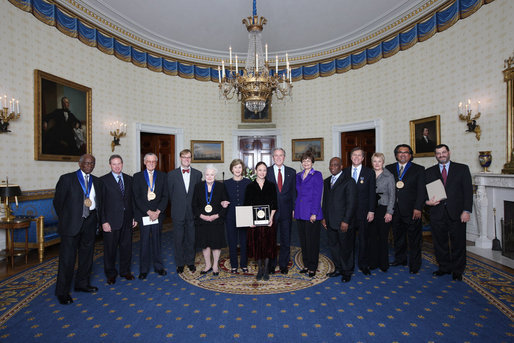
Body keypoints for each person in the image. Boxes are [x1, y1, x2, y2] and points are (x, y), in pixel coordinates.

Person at [53, 154, 102, 305]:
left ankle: (82, 284)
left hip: (90, 222)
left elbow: (98, 203)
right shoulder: (67, 179)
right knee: (67, 260)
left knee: (87, 256)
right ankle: (62, 292)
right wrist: (68, 219)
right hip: (71, 225)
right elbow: (58, 203)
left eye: (92, 163)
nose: (89, 165)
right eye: (86, 162)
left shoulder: (97, 181)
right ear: (79, 164)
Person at [425, 144, 472, 281]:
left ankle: (458, 270)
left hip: (457, 213)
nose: (441, 155)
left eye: (443, 152)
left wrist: (466, 210)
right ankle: (444, 267)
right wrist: (427, 202)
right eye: (438, 153)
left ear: (449, 152)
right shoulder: (429, 172)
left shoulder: (462, 169)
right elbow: (423, 192)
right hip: (437, 212)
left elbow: (468, 192)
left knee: (458, 243)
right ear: (435, 155)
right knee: (440, 243)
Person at [385, 144, 426, 274]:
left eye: (406, 152)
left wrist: (418, 207)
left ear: (410, 155)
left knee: (414, 239)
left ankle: (415, 265)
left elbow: (421, 191)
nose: (403, 154)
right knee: (398, 237)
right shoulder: (389, 168)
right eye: (400, 152)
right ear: (396, 154)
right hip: (394, 210)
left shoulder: (419, 169)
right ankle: (400, 259)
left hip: (412, 210)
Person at [100, 154, 137, 285]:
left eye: (119, 163)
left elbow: (132, 200)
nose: (117, 166)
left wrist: (134, 217)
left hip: (127, 220)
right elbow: (101, 203)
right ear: (110, 165)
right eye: (114, 164)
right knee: (110, 250)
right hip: (111, 222)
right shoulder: (103, 180)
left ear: (122, 164)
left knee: (126, 248)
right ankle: (110, 274)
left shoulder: (129, 179)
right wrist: (104, 221)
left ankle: (125, 271)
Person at [133, 153, 168, 279]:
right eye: (149, 161)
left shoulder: (163, 176)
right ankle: (143, 270)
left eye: (154, 161)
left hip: (158, 215)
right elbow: (136, 198)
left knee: (157, 242)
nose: (151, 163)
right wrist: (148, 212)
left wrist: (157, 212)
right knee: (144, 242)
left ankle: (159, 267)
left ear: (156, 162)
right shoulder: (137, 177)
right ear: (144, 162)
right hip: (144, 215)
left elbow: (165, 196)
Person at [322, 157, 356, 283]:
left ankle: (347, 272)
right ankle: (338, 268)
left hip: (343, 223)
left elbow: (351, 203)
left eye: (336, 165)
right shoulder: (327, 181)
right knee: (334, 246)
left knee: (346, 247)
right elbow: (325, 202)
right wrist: (324, 218)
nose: (332, 167)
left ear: (341, 166)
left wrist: (346, 221)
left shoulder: (349, 181)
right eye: (331, 165)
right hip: (330, 221)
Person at [167, 149, 202, 274]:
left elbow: (198, 195)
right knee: (178, 239)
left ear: (191, 159)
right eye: (184, 157)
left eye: (189, 157)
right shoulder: (171, 175)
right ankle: (180, 263)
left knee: (191, 239)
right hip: (178, 211)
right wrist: (179, 205)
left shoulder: (198, 174)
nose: (186, 159)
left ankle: (190, 262)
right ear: (180, 158)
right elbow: (170, 195)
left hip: (192, 212)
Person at [343, 147, 375, 276]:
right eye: (354, 155)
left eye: (359, 155)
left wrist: (371, 211)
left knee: (363, 240)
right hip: (348, 214)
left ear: (363, 158)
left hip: (363, 212)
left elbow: (372, 193)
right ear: (350, 157)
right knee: (348, 241)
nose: (356, 157)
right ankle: (348, 267)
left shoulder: (369, 173)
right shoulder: (344, 172)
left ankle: (363, 265)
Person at [192, 165, 228, 276]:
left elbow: (226, 204)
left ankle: (215, 265)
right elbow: (194, 205)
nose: (209, 176)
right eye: (207, 174)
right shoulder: (198, 186)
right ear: (204, 175)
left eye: (212, 174)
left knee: (216, 244)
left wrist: (216, 216)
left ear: (215, 175)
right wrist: (201, 216)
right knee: (205, 244)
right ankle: (208, 265)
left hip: (216, 220)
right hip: (202, 221)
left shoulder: (221, 186)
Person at [244, 161, 277, 281]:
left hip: (268, 222)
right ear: (255, 171)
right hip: (255, 223)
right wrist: (250, 221)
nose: (262, 172)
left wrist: (271, 218)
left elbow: (274, 204)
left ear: (266, 172)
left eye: (264, 170)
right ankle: (260, 269)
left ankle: (266, 269)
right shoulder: (250, 186)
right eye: (260, 170)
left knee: (268, 246)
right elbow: (246, 205)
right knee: (258, 246)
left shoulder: (271, 185)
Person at [266, 148, 296, 274]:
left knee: (285, 239)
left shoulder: (291, 172)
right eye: (276, 155)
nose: (278, 157)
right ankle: (271, 265)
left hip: (286, 211)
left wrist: (294, 208)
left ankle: (283, 265)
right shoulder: (266, 171)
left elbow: (294, 192)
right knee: (271, 239)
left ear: (284, 157)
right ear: (273, 157)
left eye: (281, 155)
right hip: (271, 212)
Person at [294, 151, 324, 278]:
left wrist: (314, 213)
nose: (306, 162)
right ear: (301, 163)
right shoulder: (298, 175)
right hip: (300, 212)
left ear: (312, 162)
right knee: (304, 241)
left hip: (312, 213)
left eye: (308, 160)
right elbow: (296, 194)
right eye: (304, 161)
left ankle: (313, 267)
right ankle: (306, 265)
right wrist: (294, 209)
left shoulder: (317, 175)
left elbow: (317, 195)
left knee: (312, 242)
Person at [224, 159, 252, 273]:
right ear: (232, 169)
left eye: (240, 167)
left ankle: (244, 264)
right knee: (232, 241)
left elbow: (251, 199)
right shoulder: (226, 183)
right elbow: (222, 198)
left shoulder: (248, 182)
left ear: (242, 169)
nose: (237, 170)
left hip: (245, 214)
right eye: (235, 167)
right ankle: (234, 265)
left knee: (244, 240)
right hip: (230, 214)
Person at [369, 153, 395, 272]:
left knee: (382, 237)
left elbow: (392, 195)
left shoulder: (388, 175)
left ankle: (383, 264)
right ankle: (373, 262)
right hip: (371, 209)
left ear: (383, 162)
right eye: (375, 161)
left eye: (379, 161)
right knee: (372, 237)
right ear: (372, 162)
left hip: (383, 209)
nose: (377, 164)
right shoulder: (369, 174)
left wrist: (389, 212)